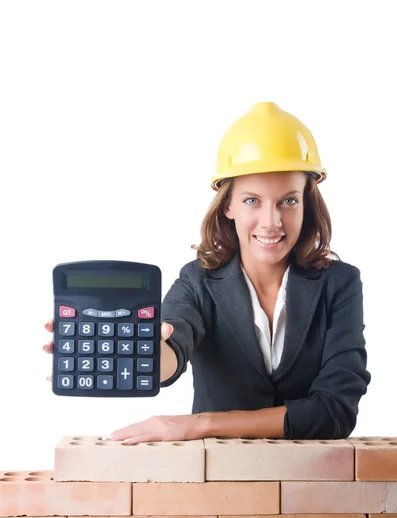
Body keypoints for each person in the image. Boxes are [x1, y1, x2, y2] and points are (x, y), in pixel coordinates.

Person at [43, 102, 371, 444]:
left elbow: (335, 411)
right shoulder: (197, 282)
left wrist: (201, 424)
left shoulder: (340, 284)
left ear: (307, 204)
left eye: (288, 201)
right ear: (227, 205)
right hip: (218, 483)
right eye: (252, 201)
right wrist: (138, 347)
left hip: (314, 483)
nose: (271, 222)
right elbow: (172, 347)